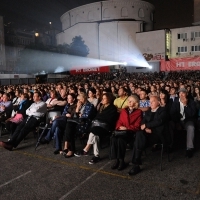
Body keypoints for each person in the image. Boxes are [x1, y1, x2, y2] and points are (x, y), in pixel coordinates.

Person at [129, 96, 168, 175]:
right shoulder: (148, 112)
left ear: (158, 102)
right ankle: (136, 164)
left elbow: (159, 122)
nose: (151, 103)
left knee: (138, 139)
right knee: (139, 134)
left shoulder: (163, 111)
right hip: (146, 135)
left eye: (153, 101)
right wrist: (145, 127)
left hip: (157, 135)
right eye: (150, 102)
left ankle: (136, 162)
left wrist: (147, 126)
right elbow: (142, 122)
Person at [74, 92, 118, 164]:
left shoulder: (112, 108)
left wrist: (99, 118)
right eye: (102, 98)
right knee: (95, 135)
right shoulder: (102, 107)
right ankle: (96, 156)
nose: (102, 100)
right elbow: (98, 116)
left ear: (109, 99)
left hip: (106, 127)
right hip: (97, 126)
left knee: (93, 131)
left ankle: (86, 150)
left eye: (104, 99)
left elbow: (108, 119)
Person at [110, 95, 142, 170]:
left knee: (121, 140)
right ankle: (116, 160)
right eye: (128, 100)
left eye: (131, 101)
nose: (129, 102)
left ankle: (121, 160)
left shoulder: (138, 112)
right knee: (114, 138)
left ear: (136, 103)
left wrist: (127, 128)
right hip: (121, 130)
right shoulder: (124, 110)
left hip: (130, 132)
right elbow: (119, 121)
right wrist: (119, 127)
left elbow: (137, 126)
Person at [63, 92, 95, 158]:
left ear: (83, 99)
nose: (78, 101)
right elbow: (75, 115)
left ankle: (70, 149)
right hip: (77, 122)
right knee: (69, 126)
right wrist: (77, 109)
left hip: (84, 124)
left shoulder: (89, 105)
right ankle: (71, 149)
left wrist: (78, 114)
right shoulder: (80, 105)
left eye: (79, 99)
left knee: (70, 128)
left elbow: (85, 116)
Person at [170, 88, 197, 158]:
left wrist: (185, 105)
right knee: (169, 125)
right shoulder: (175, 102)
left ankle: (189, 148)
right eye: (180, 93)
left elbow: (192, 114)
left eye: (183, 93)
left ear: (186, 94)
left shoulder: (191, 102)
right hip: (178, 121)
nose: (181, 95)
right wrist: (177, 123)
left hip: (187, 120)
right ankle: (170, 145)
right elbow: (172, 114)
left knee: (191, 127)